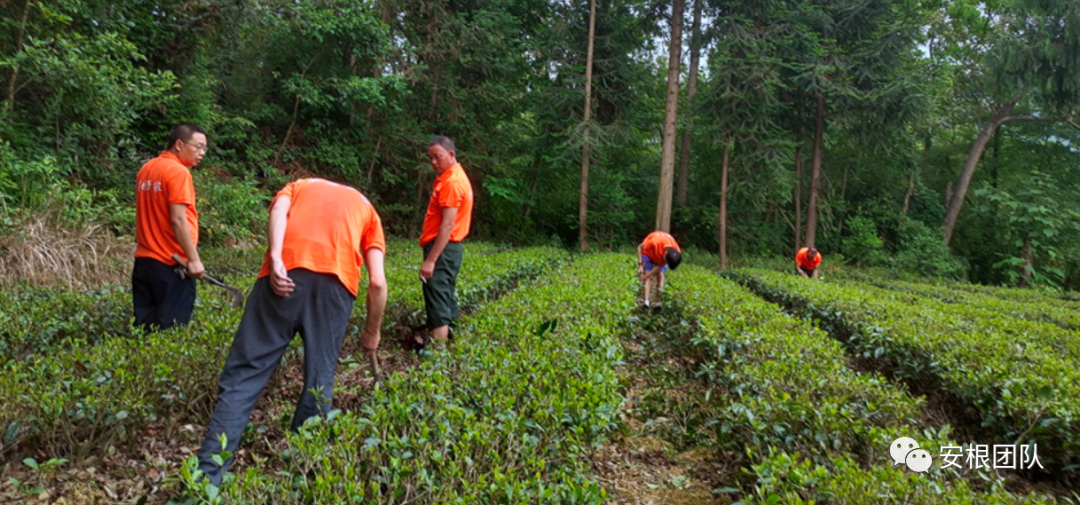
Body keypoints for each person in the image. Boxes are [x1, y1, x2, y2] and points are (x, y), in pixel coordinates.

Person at [196, 178, 387, 486]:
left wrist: (275, 258)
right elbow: (377, 282)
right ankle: (299, 474)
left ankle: (204, 481)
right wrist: (372, 332)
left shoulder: (298, 186)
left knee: (244, 377)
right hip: (334, 291)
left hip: (282, 277)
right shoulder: (367, 209)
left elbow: (279, 211)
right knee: (319, 380)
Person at [132, 122, 207, 333]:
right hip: (171, 265)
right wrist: (193, 260)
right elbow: (178, 219)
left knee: (145, 331)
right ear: (179, 144)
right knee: (170, 334)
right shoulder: (178, 172)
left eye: (204, 148)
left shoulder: (147, 168)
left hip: (144, 262)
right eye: (198, 146)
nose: (202, 153)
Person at [418, 135, 474, 343]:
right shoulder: (457, 176)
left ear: (451, 154)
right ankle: (451, 344)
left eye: (437, 157)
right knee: (446, 294)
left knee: (438, 298)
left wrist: (431, 260)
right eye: (430, 157)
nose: (433, 162)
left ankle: (438, 357)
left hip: (442, 248)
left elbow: (447, 225)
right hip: (450, 249)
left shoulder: (451, 183)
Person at [637, 231, 682, 312]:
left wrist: (646, 277)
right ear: (665, 253)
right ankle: (646, 303)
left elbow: (660, 265)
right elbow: (639, 248)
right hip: (649, 253)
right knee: (647, 273)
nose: (664, 262)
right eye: (666, 261)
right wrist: (640, 265)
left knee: (660, 275)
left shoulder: (676, 252)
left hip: (660, 253)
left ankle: (658, 303)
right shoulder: (654, 242)